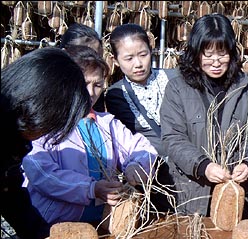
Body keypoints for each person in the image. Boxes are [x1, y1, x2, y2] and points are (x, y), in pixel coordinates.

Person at [22, 45, 157, 228]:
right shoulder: (45, 124)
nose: (91, 93)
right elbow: (43, 174)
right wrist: (91, 188)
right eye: (84, 84)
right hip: (52, 224)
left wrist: (137, 165)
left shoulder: (106, 124)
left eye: (98, 85)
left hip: (99, 220)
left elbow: (142, 148)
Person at [159, 13, 248, 218]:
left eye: (222, 53)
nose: (216, 61)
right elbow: (173, 138)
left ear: (231, 53)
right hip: (191, 197)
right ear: (196, 53)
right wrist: (203, 166)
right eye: (208, 54)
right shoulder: (178, 88)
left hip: (235, 197)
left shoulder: (246, 91)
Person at [1, 47, 91, 239]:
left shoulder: (13, 138)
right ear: (37, 108)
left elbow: (13, 198)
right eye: (53, 124)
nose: (48, 134)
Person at [105, 23, 177, 213]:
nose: (138, 64)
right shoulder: (116, 94)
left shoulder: (174, 78)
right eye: (128, 58)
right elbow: (130, 139)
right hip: (152, 176)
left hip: (186, 168)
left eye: (143, 55)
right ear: (116, 60)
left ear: (151, 50)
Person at [60, 22, 106, 112]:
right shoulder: (47, 84)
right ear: (64, 53)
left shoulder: (95, 87)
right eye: (83, 55)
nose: (91, 61)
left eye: (95, 55)